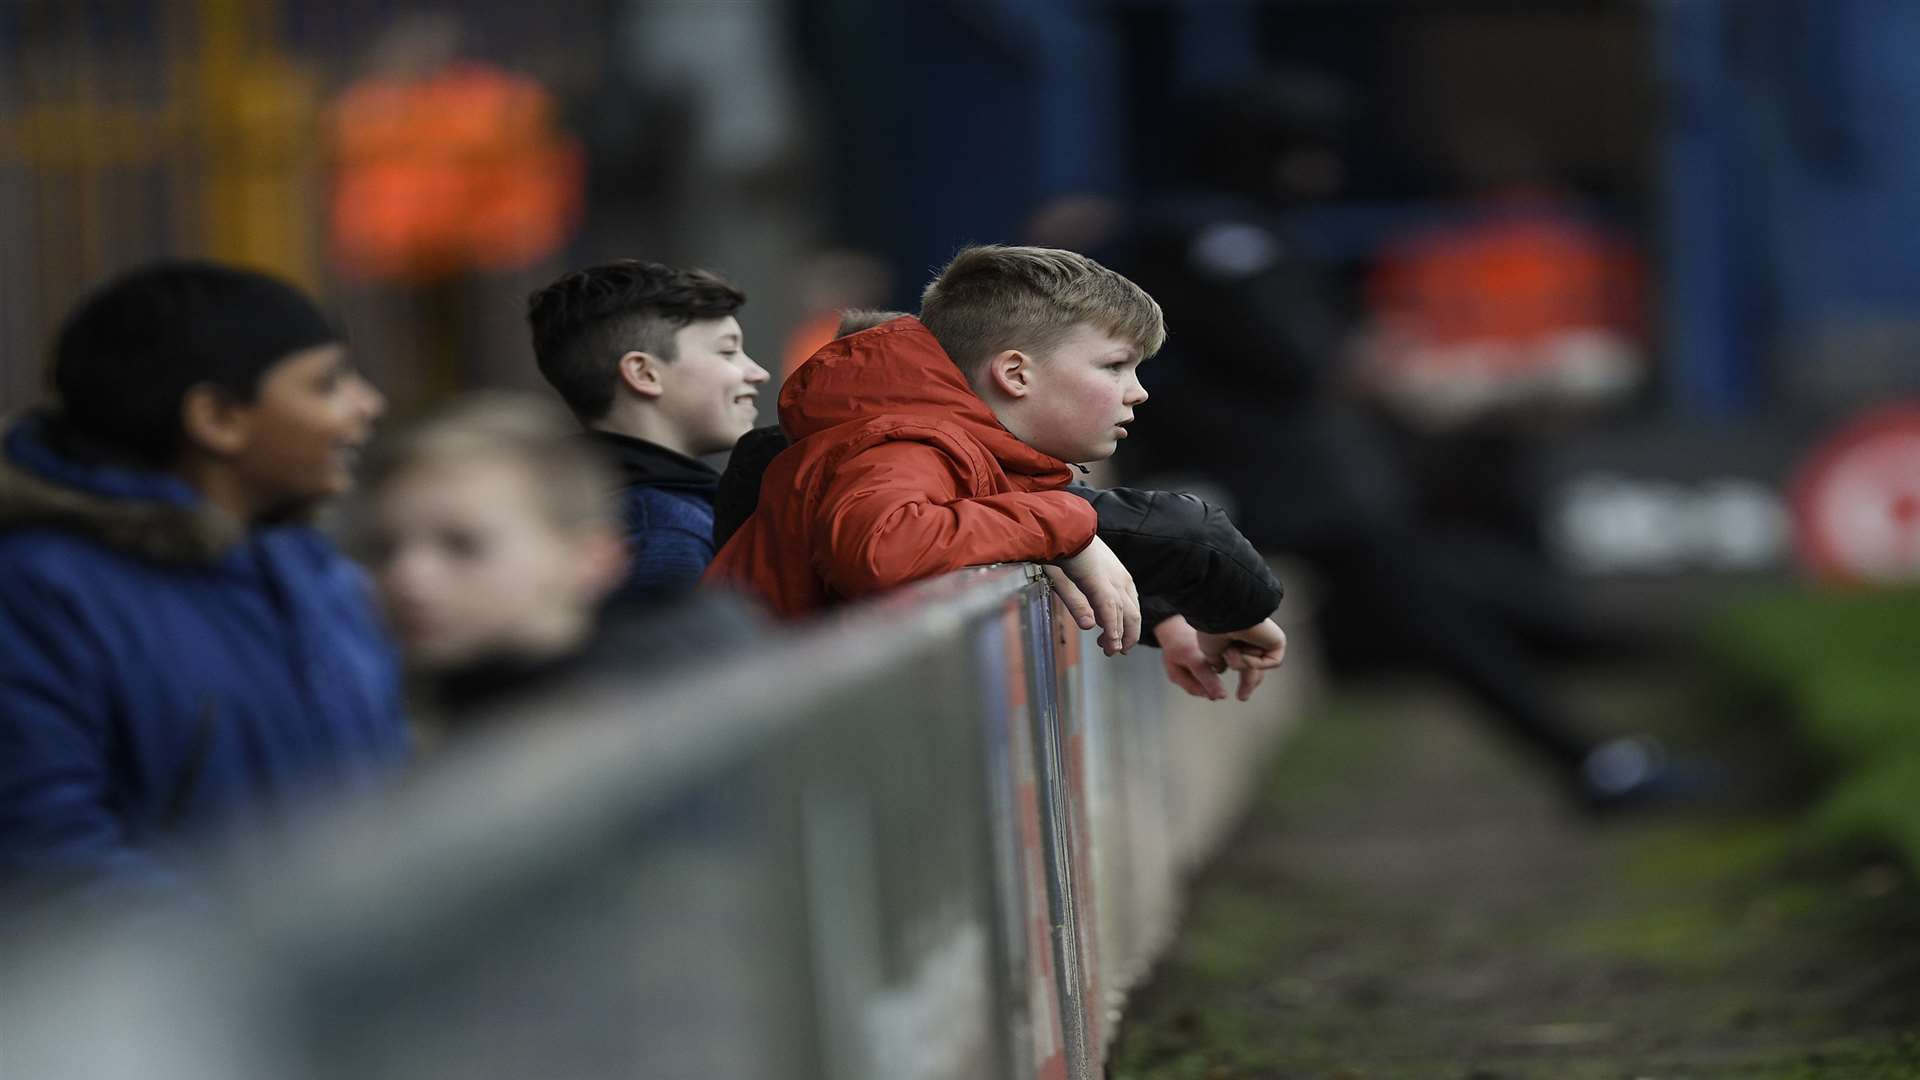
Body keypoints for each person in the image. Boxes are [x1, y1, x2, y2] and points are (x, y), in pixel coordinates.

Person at [0, 262, 409, 907]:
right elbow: (52, 858)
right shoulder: (38, 594)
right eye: (327, 384)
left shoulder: (312, 570)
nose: (368, 405)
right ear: (217, 417)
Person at [703, 245, 1286, 694]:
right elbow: (882, 549)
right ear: (1015, 374)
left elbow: (984, 519)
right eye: (1115, 367)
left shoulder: (962, 444)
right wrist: (1066, 524)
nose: (1137, 394)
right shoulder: (899, 442)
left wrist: (1168, 623)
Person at [356, 393, 765, 734]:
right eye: (383, 549)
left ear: (591, 559)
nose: (406, 579)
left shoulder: (656, 733)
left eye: (463, 545)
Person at [526, 260, 770, 598]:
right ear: (643, 373)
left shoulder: (592, 506)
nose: (758, 372)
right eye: (727, 351)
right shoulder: (664, 533)